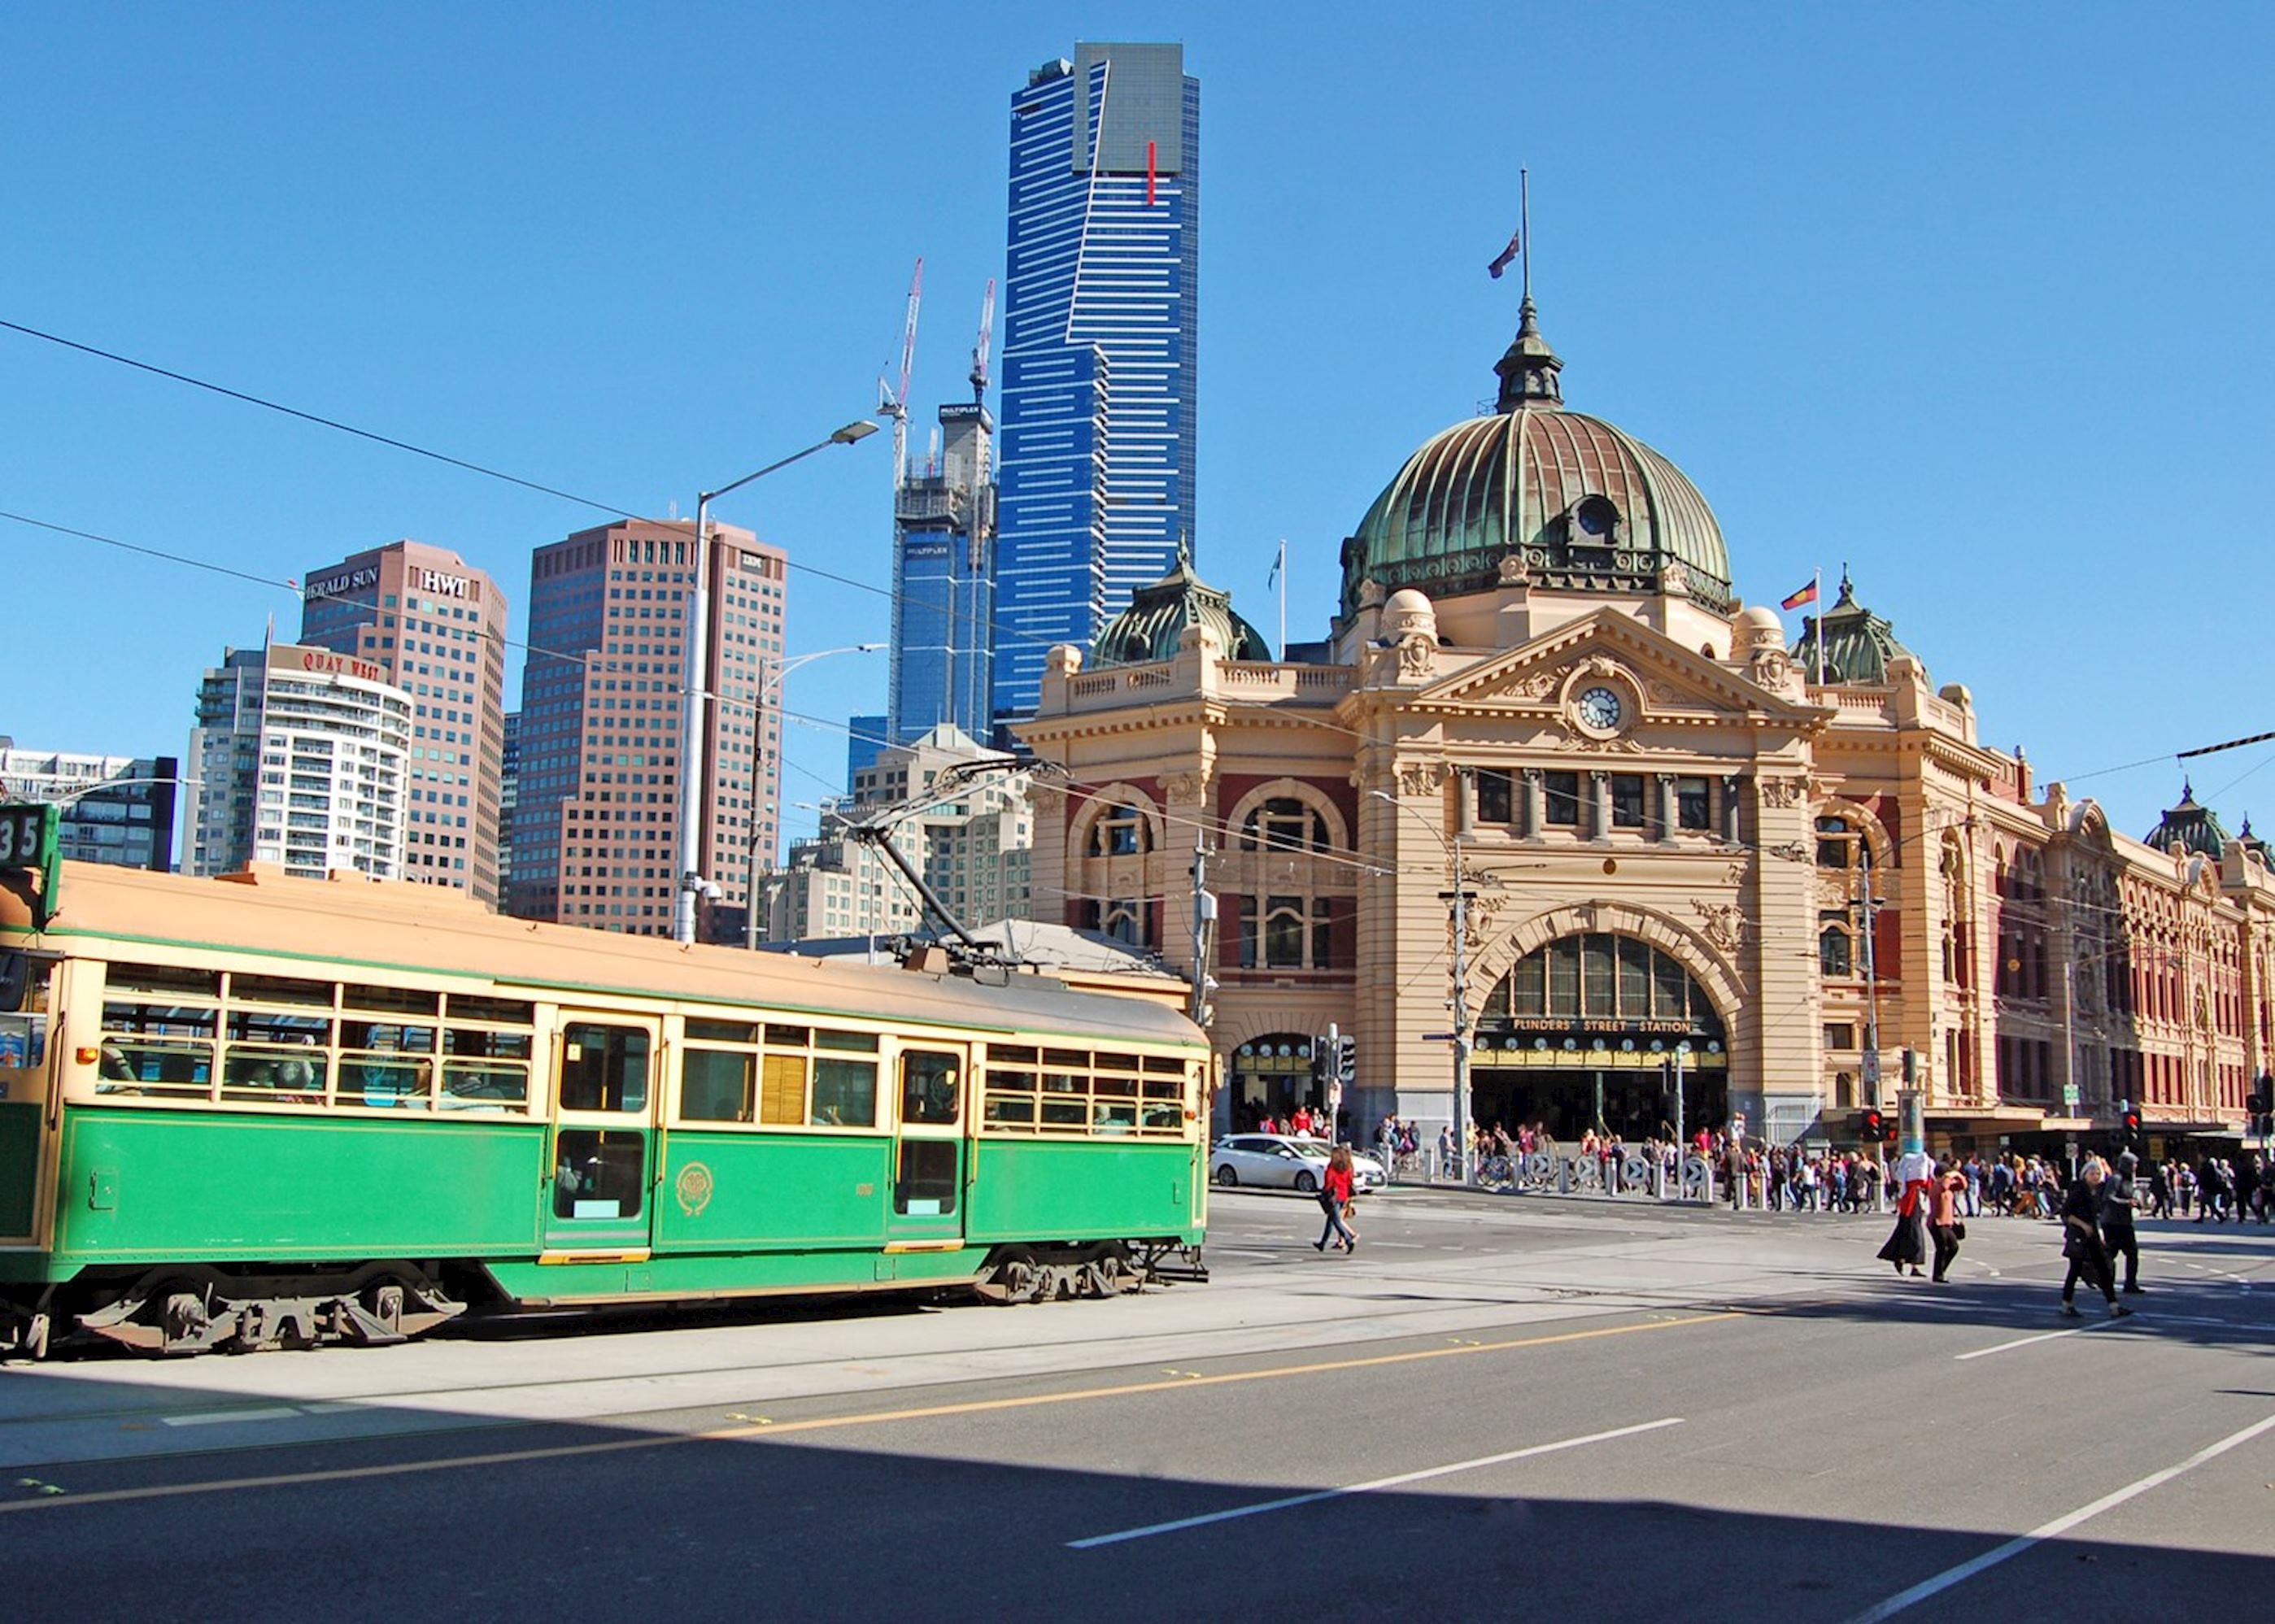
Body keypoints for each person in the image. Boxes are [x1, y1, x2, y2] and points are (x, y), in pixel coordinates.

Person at [2060, 1159, 2131, 1318]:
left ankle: (2114, 1306)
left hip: (2092, 1236)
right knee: (2074, 1270)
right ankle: (2066, 1304)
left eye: (2098, 1173)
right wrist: (2083, 1226)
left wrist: (2098, 1234)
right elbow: (2066, 1214)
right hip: (2078, 1236)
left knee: (2104, 1269)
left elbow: (2096, 1214)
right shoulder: (2078, 1190)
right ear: (2085, 1175)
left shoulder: (2098, 1191)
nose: (2095, 1176)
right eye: (2092, 1173)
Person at [1877, 1147, 1933, 1278]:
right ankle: (1905, 1260)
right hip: (1910, 1208)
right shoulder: (1911, 1184)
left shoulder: (1915, 1182)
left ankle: (1912, 1263)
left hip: (1914, 1207)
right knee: (1913, 1235)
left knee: (1913, 1234)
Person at [2102, 1151, 2143, 1295]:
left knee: (2132, 1253)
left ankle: (2130, 1283)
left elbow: (2131, 1195)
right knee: (2111, 1253)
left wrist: (2137, 1203)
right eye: (2133, 1164)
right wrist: (2126, 1203)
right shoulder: (2116, 1179)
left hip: (2125, 1222)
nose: (2135, 1167)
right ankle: (2106, 1281)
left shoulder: (2129, 1179)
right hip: (2113, 1222)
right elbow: (2108, 1198)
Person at [1312, 1144, 1358, 1254]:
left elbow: (1329, 1181)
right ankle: (1322, 1243)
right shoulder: (1348, 1166)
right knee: (1331, 1219)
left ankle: (1348, 1239)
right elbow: (1349, 1181)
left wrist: (1324, 1191)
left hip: (1334, 1196)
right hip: (1344, 1195)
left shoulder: (1332, 1167)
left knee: (1336, 1221)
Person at [1928, 1161, 1966, 1283]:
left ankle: (1941, 1271)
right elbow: (1944, 1186)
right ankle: (1938, 1275)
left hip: (1948, 1223)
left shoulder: (1949, 1186)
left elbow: (1963, 1185)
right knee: (1942, 1248)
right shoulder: (1936, 1186)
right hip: (1937, 1222)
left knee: (1953, 1247)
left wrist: (1958, 1175)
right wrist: (1950, 1175)